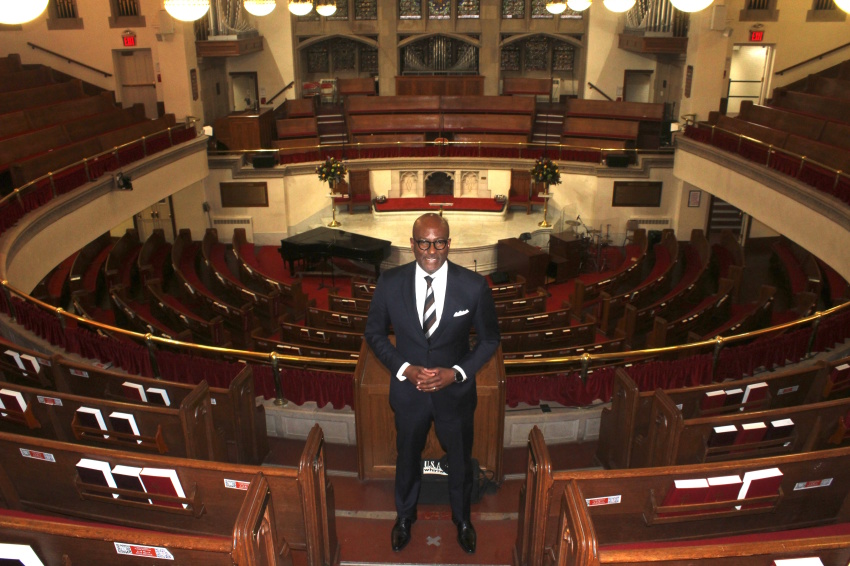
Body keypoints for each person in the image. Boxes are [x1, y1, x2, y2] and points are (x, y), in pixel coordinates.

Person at [364, 213, 501, 554]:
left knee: (459, 458)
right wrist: (404, 369)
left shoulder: (473, 286)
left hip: (454, 394)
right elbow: (374, 334)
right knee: (407, 456)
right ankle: (405, 517)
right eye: (423, 242)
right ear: (412, 244)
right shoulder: (389, 282)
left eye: (439, 242)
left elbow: (489, 340)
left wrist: (455, 373)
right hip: (409, 394)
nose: (431, 250)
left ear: (448, 243)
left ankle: (463, 520)